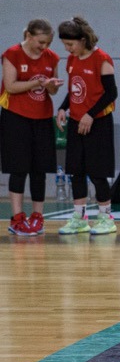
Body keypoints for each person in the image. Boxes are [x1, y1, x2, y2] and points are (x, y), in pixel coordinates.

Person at [56, 16, 117, 236]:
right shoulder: (72, 60)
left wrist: (90, 115)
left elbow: (111, 93)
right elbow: (74, 90)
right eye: (65, 44)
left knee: (98, 173)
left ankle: (106, 218)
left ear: (83, 40)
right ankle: (79, 219)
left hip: (98, 122)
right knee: (76, 172)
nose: (67, 48)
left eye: (70, 44)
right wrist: (63, 108)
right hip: (76, 122)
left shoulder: (102, 59)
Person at [2, 19, 62, 235]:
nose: (44, 47)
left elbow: (52, 91)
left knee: (39, 170)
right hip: (16, 117)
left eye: (48, 43)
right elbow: (10, 86)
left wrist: (51, 86)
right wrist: (37, 83)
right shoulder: (12, 54)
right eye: (41, 42)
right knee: (18, 169)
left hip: (42, 118)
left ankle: (37, 217)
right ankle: (17, 218)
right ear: (28, 36)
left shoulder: (52, 57)